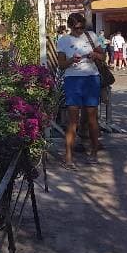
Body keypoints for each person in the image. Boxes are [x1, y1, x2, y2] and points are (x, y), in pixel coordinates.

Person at [56, 12, 103, 166]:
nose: (80, 31)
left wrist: (94, 55)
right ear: (70, 27)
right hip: (73, 80)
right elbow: (61, 64)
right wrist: (71, 60)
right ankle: (68, 156)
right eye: (77, 28)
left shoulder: (91, 36)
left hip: (91, 78)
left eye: (82, 27)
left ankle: (94, 152)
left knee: (92, 118)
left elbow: (103, 57)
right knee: (73, 120)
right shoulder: (63, 41)